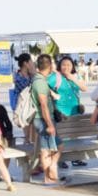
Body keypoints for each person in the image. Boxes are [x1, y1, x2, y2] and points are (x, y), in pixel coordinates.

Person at [30, 54, 63, 185]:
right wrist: (50, 124)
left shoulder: (40, 80)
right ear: (49, 65)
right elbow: (43, 105)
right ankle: (48, 178)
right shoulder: (40, 82)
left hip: (44, 119)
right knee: (46, 149)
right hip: (43, 119)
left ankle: (52, 170)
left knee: (58, 145)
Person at [50, 55, 88, 167]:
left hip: (74, 110)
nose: (66, 67)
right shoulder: (55, 77)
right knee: (62, 136)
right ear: (59, 66)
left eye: (68, 65)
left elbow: (84, 88)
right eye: (63, 65)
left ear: (72, 66)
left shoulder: (75, 76)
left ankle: (76, 158)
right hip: (61, 111)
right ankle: (61, 159)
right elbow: (45, 86)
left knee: (74, 135)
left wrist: (72, 77)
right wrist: (53, 94)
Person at [11, 53, 35, 144]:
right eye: (31, 62)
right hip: (23, 107)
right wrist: (34, 73)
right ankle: (28, 153)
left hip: (31, 106)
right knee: (27, 134)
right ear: (25, 63)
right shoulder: (18, 77)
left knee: (33, 133)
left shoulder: (30, 75)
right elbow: (28, 89)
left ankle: (32, 153)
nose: (32, 64)